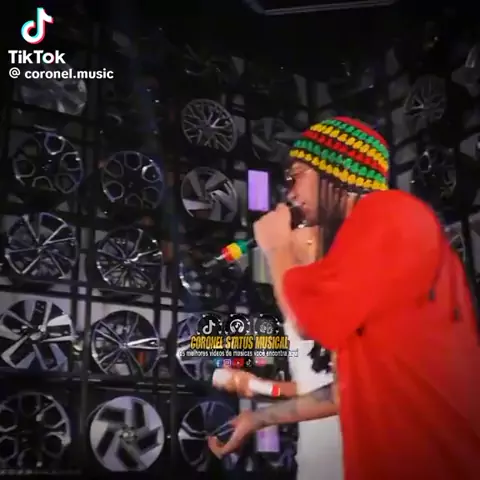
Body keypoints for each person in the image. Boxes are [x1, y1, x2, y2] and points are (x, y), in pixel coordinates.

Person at [208, 117, 480, 480]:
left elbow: (307, 324)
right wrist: (257, 418)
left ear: (334, 171)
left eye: (295, 176)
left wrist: (277, 248)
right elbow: (345, 392)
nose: (289, 193)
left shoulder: (387, 213)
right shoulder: (374, 240)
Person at [212, 223, 343, 480]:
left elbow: (341, 392)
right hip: (314, 454)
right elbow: (320, 388)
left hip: (343, 451)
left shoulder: (334, 297)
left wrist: (257, 392)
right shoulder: (301, 295)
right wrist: (257, 390)